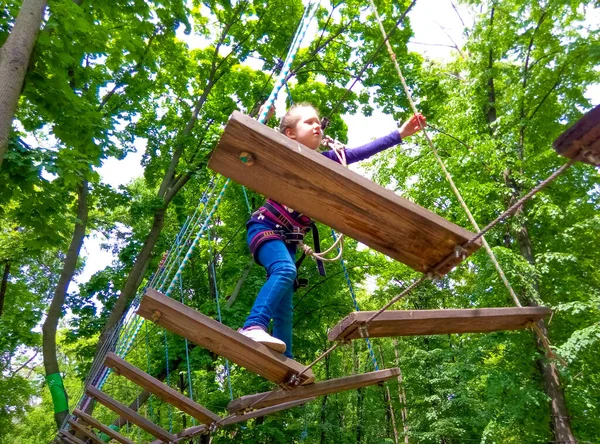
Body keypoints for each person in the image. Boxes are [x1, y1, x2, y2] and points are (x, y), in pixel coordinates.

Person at [239, 103, 426, 358]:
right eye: (309, 122)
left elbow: (358, 153)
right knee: (284, 270)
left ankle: (287, 361)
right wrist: (263, 119)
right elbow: (255, 148)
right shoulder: (283, 154)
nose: (317, 125)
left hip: (289, 239)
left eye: (319, 122)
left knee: (285, 301)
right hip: (265, 226)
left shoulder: (324, 161)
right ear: (290, 133)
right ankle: (252, 325)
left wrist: (399, 135)